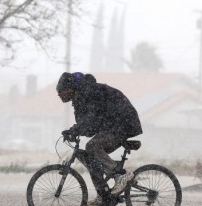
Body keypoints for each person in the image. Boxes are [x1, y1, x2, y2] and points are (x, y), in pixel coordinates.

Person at [56, 72, 142, 206]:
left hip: (123, 123)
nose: (59, 95)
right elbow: (89, 126)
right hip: (114, 124)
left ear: (70, 88)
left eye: (61, 91)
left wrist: (75, 130)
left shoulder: (89, 92)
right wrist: (74, 131)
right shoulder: (80, 97)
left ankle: (122, 174)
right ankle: (104, 195)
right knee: (92, 162)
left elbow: (92, 118)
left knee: (92, 147)